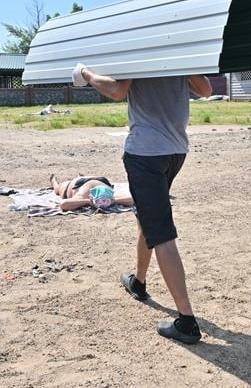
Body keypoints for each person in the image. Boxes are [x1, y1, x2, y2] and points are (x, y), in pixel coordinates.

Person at [73, 62, 212, 344]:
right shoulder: (178, 57)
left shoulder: (139, 53)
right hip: (175, 152)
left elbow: (116, 90)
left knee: (160, 232)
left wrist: (85, 75)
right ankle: (139, 281)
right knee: (145, 215)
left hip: (145, 154)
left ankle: (186, 322)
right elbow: (206, 90)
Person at [48, 173, 134, 211]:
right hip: (80, 184)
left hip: (98, 181)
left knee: (61, 189)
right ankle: (54, 182)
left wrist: (114, 200)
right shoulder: (83, 195)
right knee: (58, 189)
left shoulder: (109, 195)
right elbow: (63, 204)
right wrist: (89, 201)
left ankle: (79, 176)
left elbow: (134, 199)